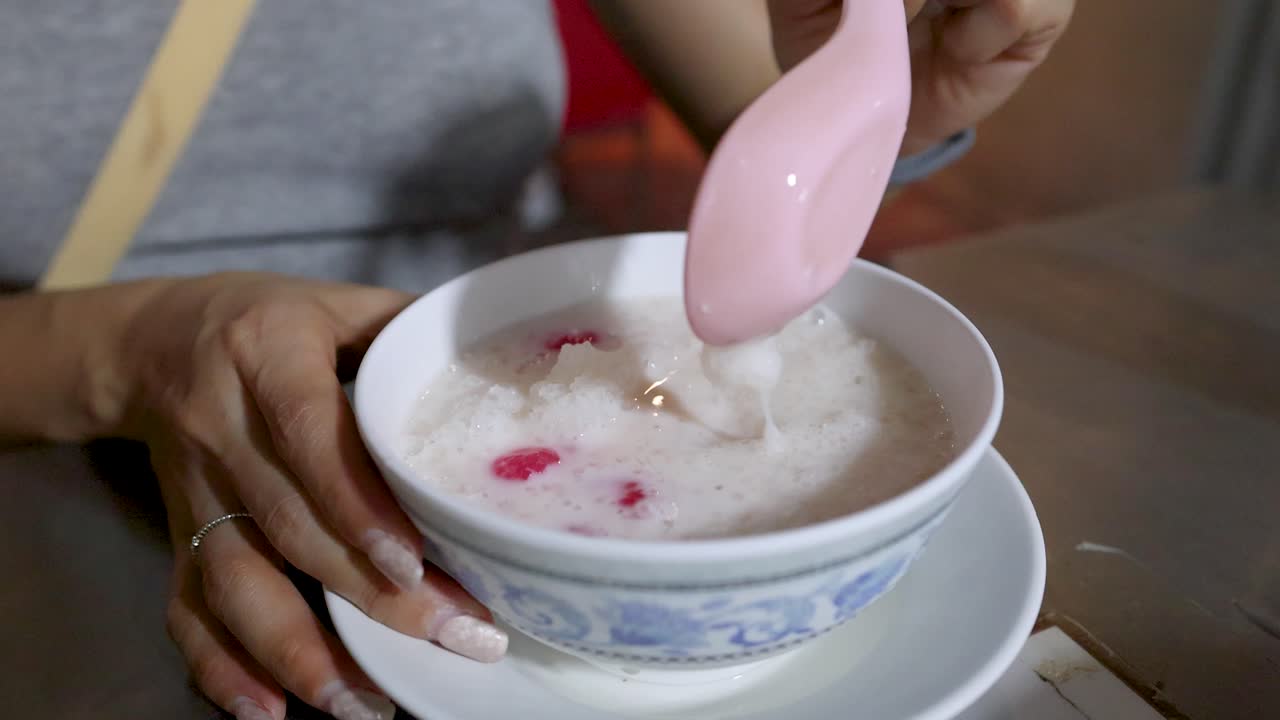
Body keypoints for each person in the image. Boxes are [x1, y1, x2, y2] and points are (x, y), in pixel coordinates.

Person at [0, 1, 1074, 718]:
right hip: (68, 472)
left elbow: (772, 128)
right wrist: (134, 350)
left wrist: (893, 85)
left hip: (488, 374)